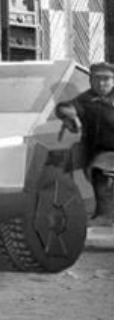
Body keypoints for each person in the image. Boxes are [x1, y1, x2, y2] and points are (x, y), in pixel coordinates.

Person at [55, 61, 114, 227]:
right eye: (96, 79)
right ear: (90, 81)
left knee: (102, 168)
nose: (101, 83)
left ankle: (106, 213)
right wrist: (70, 115)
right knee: (98, 169)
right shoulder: (86, 100)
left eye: (106, 79)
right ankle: (103, 213)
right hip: (99, 151)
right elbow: (64, 107)